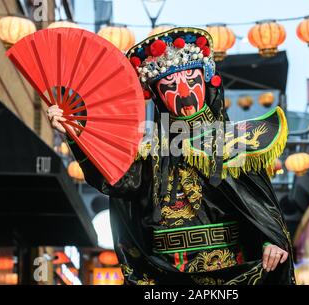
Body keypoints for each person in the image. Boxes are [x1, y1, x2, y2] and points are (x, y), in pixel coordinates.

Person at [47, 27, 295, 285]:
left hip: (230, 270)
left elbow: (259, 207)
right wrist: (76, 132)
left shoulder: (236, 140)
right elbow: (119, 182)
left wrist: (271, 239)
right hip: (165, 272)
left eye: (191, 79)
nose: (184, 92)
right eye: (170, 85)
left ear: (207, 79)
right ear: (156, 95)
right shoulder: (150, 148)